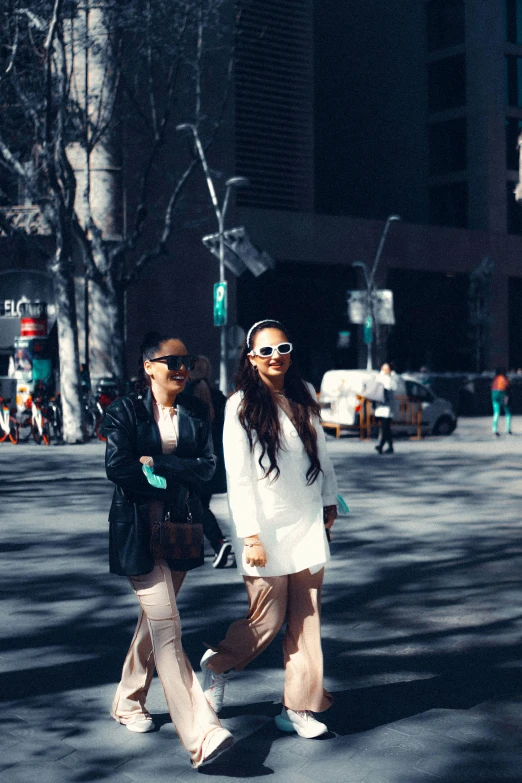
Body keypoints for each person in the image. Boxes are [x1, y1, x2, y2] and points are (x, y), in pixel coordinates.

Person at [200, 319, 339, 739]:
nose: (275, 356)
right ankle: (218, 664)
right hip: (264, 530)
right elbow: (238, 477)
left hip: (307, 522)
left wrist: (330, 498)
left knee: (306, 620)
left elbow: (323, 454)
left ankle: (298, 708)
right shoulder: (239, 404)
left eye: (283, 348)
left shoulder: (305, 393)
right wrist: (251, 536)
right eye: (266, 351)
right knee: (267, 618)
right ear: (251, 358)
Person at [104, 332, 233, 769]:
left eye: (186, 361)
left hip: (180, 528)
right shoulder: (123, 410)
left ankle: (126, 701)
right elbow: (117, 466)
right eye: (171, 361)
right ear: (148, 366)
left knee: (156, 622)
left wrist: (158, 465)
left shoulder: (196, 411)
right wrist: (177, 472)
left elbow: (210, 470)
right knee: (168, 629)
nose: (181, 368)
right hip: (138, 530)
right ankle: (203, 734)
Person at [185, 356, 234, 568]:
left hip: (192, 463)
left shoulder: (184, 397)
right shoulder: (219, 398)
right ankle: (209, 545)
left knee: (193, 504)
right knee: (199, 504)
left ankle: (218, 542)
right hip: (214, 463)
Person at [374, 362, 396, 454]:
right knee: (385, 428)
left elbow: (393, 387)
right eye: (384, 368)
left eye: (386, 369)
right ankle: (387, 446)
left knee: (385, 428)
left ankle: (382, 446)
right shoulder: (380, 377)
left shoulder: (391, 379)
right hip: (381, 408)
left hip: (387, 409)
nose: (385, 370)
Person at [491, 368, 512, 436]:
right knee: (508, 412)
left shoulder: (495, 379)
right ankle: (508, 429)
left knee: (496, 412)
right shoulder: (504, 379)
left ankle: (495, 429)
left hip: (494, 395)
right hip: (503, 394)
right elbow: (508, 387)